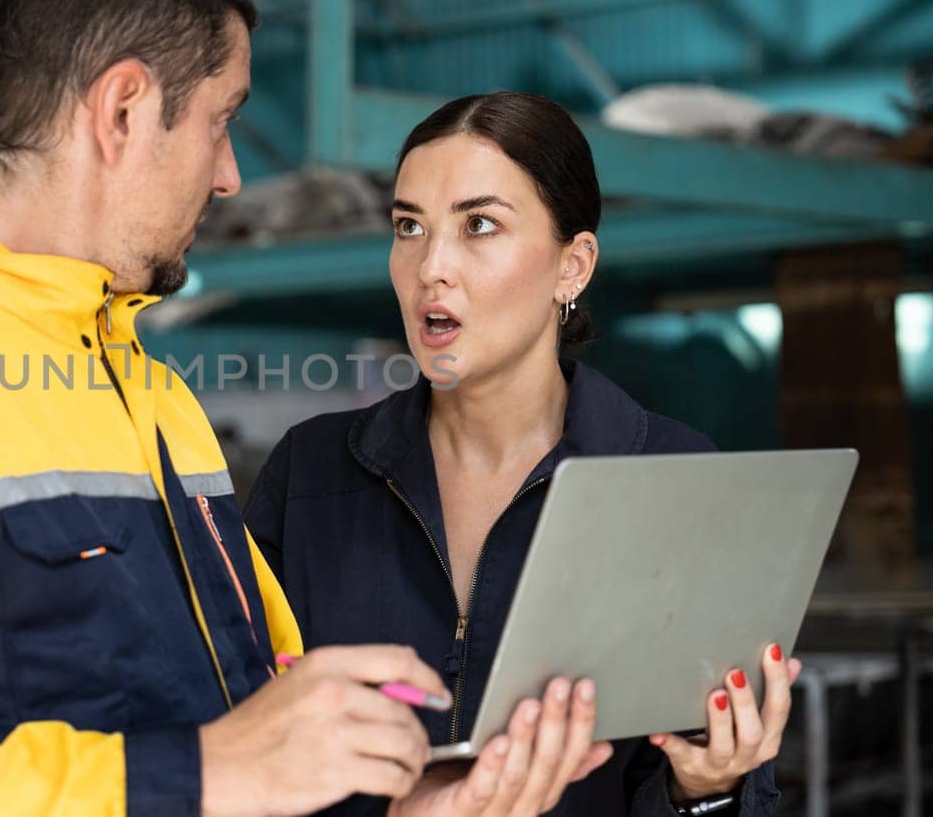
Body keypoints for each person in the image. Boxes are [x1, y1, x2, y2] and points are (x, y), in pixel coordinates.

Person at [0, 0, 608, 815]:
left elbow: (253, 747)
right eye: (222, 120)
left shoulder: (158, 401)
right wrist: (209, 770)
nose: (227, 175)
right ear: (124, 111)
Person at [244, 92, 805, 817]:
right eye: (409, 226)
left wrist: (706, 786)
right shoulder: (311, 473)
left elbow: (715, 787)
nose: (430, 267)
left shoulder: (671, 475)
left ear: (573, 266)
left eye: (479, 225)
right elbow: (240, 736)